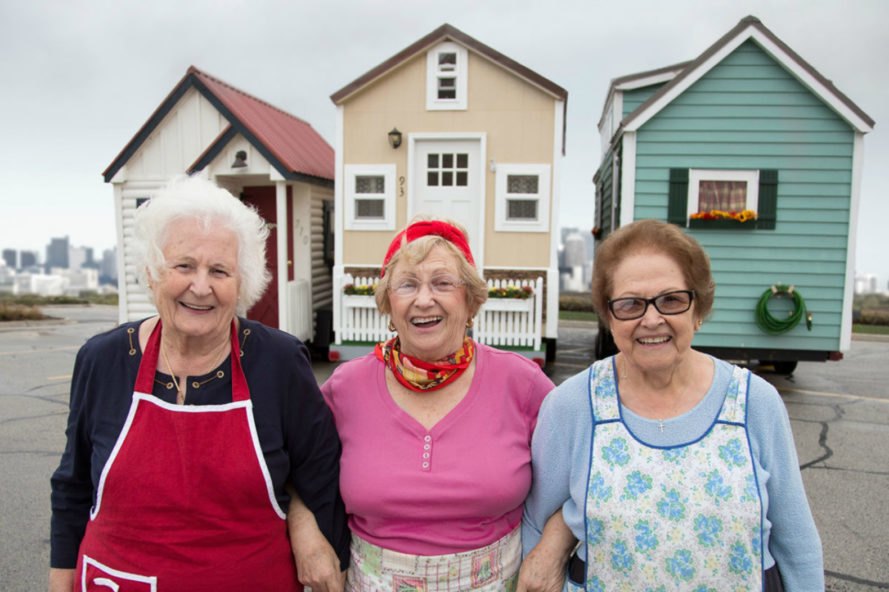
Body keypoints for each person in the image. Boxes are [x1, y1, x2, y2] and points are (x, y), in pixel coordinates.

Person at [49, 176, 349, 592]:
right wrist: (59, 582)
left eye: (220, 270)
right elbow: (73, 486)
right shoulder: (103, 360)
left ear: (242, 283)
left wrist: (307, 526)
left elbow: (320, 480)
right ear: (153, 273)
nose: (201, 286)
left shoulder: (278, 363)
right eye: (184, 265)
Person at [519, 219, 823, 591]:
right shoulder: (573, 405)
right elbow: (537, 523)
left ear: (698, 309)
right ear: (609, 316)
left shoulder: (754, 403)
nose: (651, 319)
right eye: (630, 304)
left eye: (672, 300)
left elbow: (797, 546)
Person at [321, 218, 555, 591]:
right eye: (407, 284)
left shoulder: (521, 383)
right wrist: (307, 535)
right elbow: (301, 473)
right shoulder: (345, 388)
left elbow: (574, 478)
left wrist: (552, 552)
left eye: (443, 283)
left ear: (471, 300)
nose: (424, 299)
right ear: (388, 303)